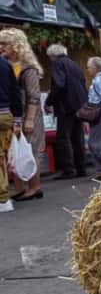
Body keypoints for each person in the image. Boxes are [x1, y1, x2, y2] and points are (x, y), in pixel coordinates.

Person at [0, 28, 44, 200]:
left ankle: (34, 187)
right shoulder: (8, 65)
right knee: (14, 150)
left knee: (31, 149)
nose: (1, 47)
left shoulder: (28, 68)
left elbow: (34, 96)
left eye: (5, 44)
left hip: (29, 114)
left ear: (16, 45)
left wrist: (30, 120)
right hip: (14, 113)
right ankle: (19, 188)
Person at [44, 44, 89, 179]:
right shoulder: (74, 64)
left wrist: (49, 101)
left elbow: (59, 84)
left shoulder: (57, 64)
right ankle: (81, 168)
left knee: (63, 137)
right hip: (79, 105)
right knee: (78, 137)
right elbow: (82, 82)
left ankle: (68, 170)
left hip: (65, 106)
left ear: (52, 55)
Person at [0, 51, 24, 212]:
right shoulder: (5, 64)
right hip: (5, 114)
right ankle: (3, 199)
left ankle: (2, 199)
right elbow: (16, 92)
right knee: (1, 156)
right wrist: (17, 118)